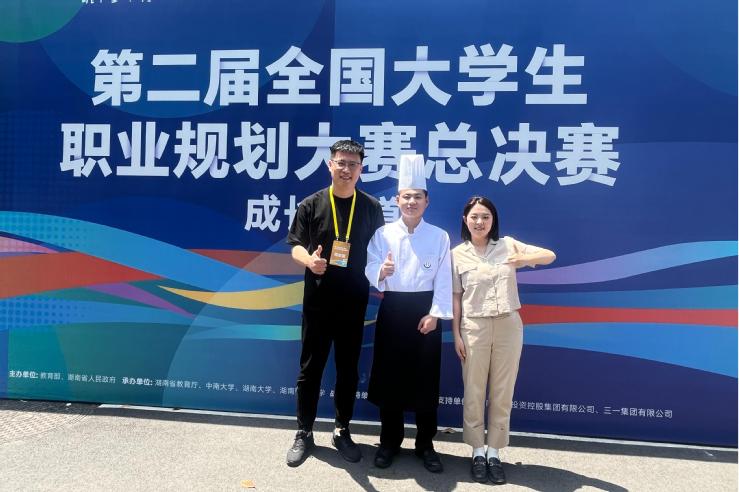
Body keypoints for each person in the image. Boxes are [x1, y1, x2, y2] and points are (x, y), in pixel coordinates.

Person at [285, 140, 385, 467]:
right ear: (330, 165)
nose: (346, 169)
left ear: (361, 169)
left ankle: (342, 430)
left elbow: (380, 250)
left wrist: (385, 269)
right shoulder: (311, 204)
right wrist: (309, 262)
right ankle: (304, 432)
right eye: (341, 163)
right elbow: (295, 245)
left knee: (347, 370)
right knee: (310, 370)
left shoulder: (371, 207)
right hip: (318, 302)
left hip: (354, 303)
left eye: (352, 164)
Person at [451, 196, 555, 484]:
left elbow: (549, 255)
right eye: (474, 217)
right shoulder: (456, 254)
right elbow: (456, 297)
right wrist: (456, 333)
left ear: (493, 220)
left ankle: (494, 452)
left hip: (509, 325)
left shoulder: (507, 245)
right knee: (474, 389)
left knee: (502, 390)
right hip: (474, 326)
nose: (480, 222)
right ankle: (477, 451)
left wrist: (524, 260)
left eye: (485, 216)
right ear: (465, 220)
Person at [364, 154, 453, 473]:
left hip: (425, 313)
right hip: (393, 310)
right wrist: (382, 271)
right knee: (390, 377)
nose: (411, 202)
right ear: (397, 200)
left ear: (427, 201)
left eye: (417, 197)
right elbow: (369, 266)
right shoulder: (383, 234)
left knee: (425, 378)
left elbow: (444, 278)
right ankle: (389, 441)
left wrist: (435, 314)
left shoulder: (439, 236)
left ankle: (425, 444)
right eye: (406, 197)